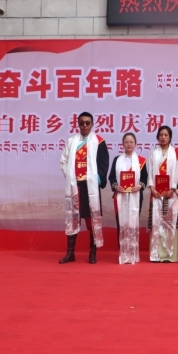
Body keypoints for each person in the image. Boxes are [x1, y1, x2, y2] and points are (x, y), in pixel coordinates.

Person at [59, 112, 109, 264]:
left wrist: (96, 179)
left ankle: (92, 253)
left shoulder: (99, 141)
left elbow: (103, 164)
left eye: (87, 123)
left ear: (92, 124)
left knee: (91, 220)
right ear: (78, 124)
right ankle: (70, 253)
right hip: (75, 187)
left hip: (90, 188)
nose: (85, 125)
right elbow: (63, 161)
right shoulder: (71, 141)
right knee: (72, 219)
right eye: (82, 123)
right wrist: (71, 176)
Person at [109, 132, 147, 264]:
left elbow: (145, 178)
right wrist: (115, 186)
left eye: (131, 142)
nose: (129, 144)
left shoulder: (141, 161)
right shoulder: (117, 160)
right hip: (120, 196)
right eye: (126, 142)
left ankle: (133, 253)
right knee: (122, 223)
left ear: (135, 144)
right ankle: (123, 253)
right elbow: (111, 177)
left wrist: (140, 186)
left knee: (132, 223)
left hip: (136, 196)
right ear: (123, 144)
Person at [147, 126, 178, 263]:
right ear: (158, 137)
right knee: (157, 222)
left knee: (169, 222)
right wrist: (151, 187)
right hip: (156, 193)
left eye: (166, 135)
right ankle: (157, 255)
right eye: (161, 135)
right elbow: (150, 172)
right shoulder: (153, 153)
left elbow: (177, 172)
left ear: (170, 137)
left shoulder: (176, 153)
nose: (163, 137)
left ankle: (169, 255)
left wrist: (172, 188)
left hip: (170, 194)